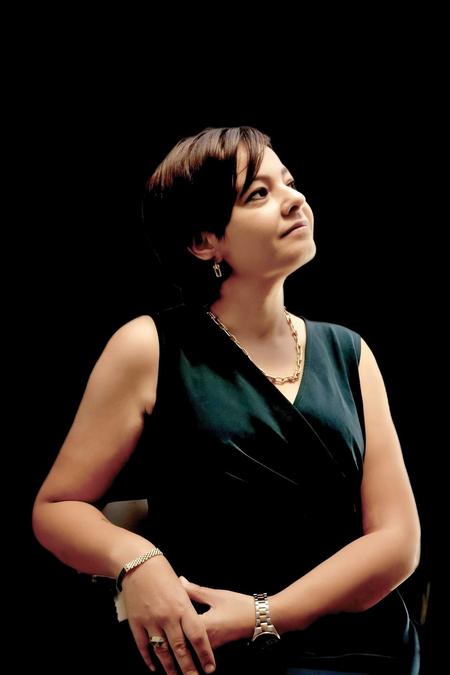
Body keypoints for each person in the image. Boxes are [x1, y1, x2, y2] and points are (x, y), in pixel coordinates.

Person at [32, 126, 421, 675]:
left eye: (289, 182)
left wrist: (265, 614)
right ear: (203, 242)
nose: (294, 199)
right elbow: (57, 508)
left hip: (367, 647)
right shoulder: (149, 347)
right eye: (258, 193)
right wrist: (136, 560)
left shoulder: (350, 352)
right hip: (216, 651)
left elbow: (398, 540)